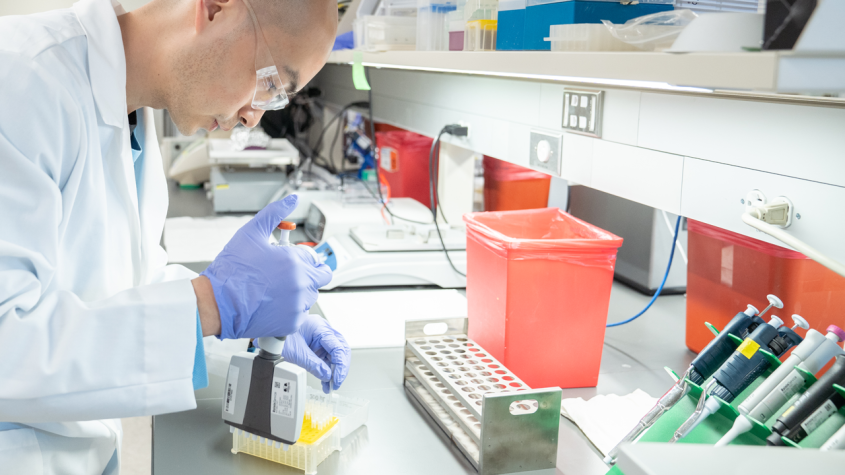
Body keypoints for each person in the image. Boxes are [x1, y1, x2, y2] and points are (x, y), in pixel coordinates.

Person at [0, 0, 349, 473]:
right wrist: (212, 303)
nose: (253, 118)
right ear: (216, 8)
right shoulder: (18, 80)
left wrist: (242, 322)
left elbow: (119, 282)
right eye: (271, 82)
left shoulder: (134, 108)